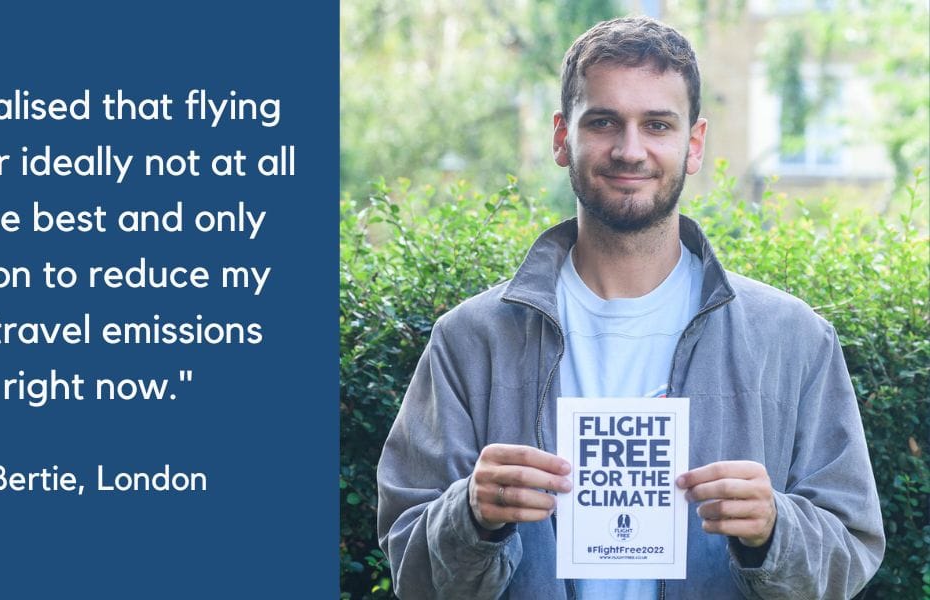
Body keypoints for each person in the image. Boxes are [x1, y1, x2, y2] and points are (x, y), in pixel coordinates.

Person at [376, 15, 884, 599]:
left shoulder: (792, 339)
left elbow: (852, 547)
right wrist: (469, 517)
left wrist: (774, 530)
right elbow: (410, 570)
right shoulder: (470, 340)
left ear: (693, 144)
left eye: (658, 124)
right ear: (562, 137)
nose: (630, 149)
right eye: (603, 122)